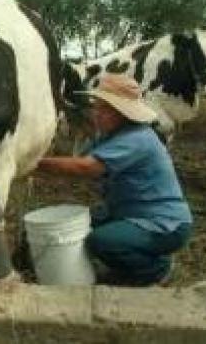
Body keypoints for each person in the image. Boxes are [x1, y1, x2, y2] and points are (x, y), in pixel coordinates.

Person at [36, 74, 192, 286]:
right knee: (78, 226)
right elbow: (79, 158)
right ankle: (133, 257)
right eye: (96, 107)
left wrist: (33, 163)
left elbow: (86, 167)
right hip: (127, 212)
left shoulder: (137, 138)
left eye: (104, 109)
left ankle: (156, 269)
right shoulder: (110, 136)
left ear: (122, 113)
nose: (96, 114)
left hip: (163, 224)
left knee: (101, 241)